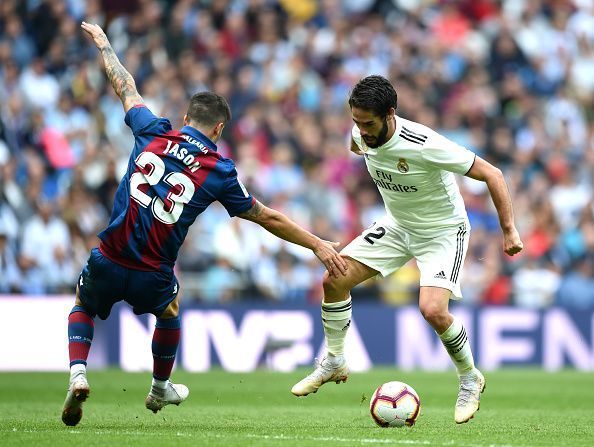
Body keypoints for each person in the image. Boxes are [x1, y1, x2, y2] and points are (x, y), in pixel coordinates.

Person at [62, 22, 348, 427]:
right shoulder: (218, 169)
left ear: (184, 117)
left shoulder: (152, 131)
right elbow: (265, 216)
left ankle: (78, 373)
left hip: (110, 255)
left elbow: (125, 87)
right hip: (152, 271)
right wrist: (317, 244)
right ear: (219, 129)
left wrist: (105, 46)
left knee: (83, 305)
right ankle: (160, 386)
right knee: (169, 310)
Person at [291, 75, 523, 424]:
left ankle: (470, 377)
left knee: (431, 309)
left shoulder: (424, 142)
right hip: (398, 225)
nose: (361, 130)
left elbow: (494, 174)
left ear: (390, 113)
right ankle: (335, 360)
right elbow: (361, 149)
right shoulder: (359, 135)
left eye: (368, 123)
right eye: (356, 121)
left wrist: (509, 230)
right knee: (333, 280)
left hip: (442, 232)